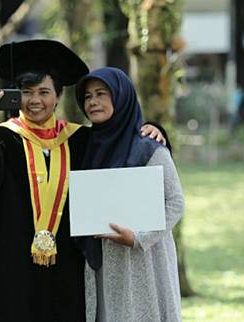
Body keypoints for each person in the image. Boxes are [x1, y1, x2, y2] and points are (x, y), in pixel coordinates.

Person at [0, 39, 167, 322]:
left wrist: (152, 131)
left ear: (57, 96)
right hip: (10, 263)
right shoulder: (1, 139)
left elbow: (119, 144)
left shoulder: (80, 140)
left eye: (44, 92)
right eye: (27, 93)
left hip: (69, 264)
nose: (35, 101)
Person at [74, 67, 184, 322]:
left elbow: (176, 202)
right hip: (103, 261)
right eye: (87, 96)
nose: (93, 102)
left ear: (121, 97)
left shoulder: (148, 146)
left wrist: (138, 238)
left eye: (101, 93)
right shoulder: (84, 146)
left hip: (142, 261)